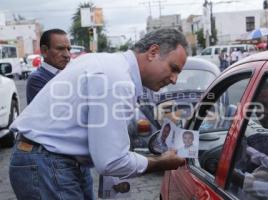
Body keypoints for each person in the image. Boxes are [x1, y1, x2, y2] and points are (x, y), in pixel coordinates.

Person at [9, 28, 187, 200]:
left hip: (54, 161)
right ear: (153, 52)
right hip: (48, 163)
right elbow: (112, 161)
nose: (174, 79)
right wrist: (160, 162)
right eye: (173, 68)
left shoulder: (110, 66)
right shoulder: (117, 79)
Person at [26, 28, 71, 104]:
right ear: (44, 51)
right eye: (60, 49)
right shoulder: (36, 79)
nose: (67, 55)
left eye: (68, 49)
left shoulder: (68, 73)